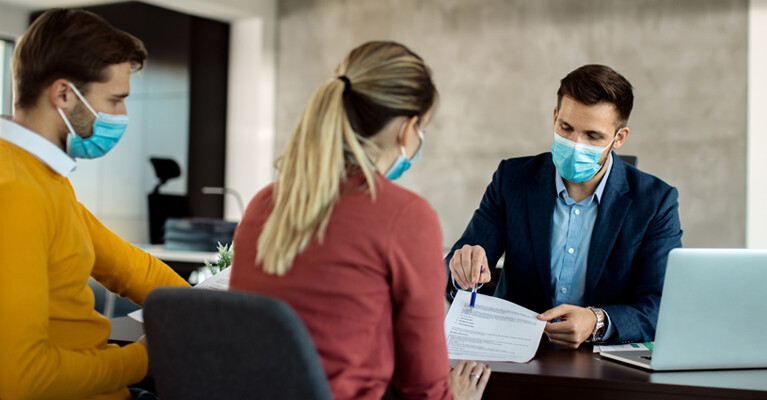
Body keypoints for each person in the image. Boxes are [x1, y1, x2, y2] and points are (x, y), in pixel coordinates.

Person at [230, 41, 490, 400]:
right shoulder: (406, 217)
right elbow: (423, 390)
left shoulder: (264, 203)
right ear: (407, 129)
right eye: (423, 128)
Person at [0, 9, 189, 400]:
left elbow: (126, 265)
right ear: (64, 94)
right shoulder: (13, 188)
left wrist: (200, 308)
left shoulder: (44, 175)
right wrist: (140, 360)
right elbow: (20, 379)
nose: (122, 115)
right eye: (116, 100)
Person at [446, 64, 683, 349]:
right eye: (566, 128)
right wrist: (463, 268)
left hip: (603, 362)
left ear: (618, 138)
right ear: (555, 117)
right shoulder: (512, 179)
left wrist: (597, 321)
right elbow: (463, 260)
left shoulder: (656, 202)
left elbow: (660, 305)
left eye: (592, 136)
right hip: (515, 355)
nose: (574, 144)